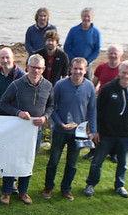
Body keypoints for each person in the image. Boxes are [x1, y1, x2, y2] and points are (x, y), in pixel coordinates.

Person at [83, 60, 128, 199]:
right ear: (119, 72)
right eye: (124, 72)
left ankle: (119, 186)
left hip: (127, 135)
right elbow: (97, 110)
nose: (126, 75)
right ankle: (91, 184)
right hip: (106, 134)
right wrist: (95, 130)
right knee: (97, 162)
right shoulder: (108, 88)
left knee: (123, 163)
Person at [0, 54, 54, 205]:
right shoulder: (17, 84)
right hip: (17, 130)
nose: (36, 71)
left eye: (39, 68)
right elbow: (3, 103)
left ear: (43, 69)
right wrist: (18, 112)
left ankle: (23, 191)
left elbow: (51, 106)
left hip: (36, 131)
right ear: (27, 67)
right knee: (12, 158)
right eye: (33, 67)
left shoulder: (48, 86)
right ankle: (6, 192)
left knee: (28, 160)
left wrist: (45, 117)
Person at [41, 58, 96, 201]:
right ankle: (48, 188)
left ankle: (66, 189)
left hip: (79, 132)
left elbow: (92, 110)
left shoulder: (89, 87)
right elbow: (51, 107)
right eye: (75, 68)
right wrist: (60, 123)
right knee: (53, 161)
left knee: (72, 163)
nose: (77, 71)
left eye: (81, 69)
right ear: (70, 69)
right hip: (60, 131)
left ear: (85, 70)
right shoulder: (60, 85)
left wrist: (93, 130)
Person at [64, 8, 102, 76]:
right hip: (73, 64)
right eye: (84, 16)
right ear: (81, 17)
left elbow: (96, 50)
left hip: (87, 65)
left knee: (88, 84)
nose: (86, 18)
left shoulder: (96, 32)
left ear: (92, 18)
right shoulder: (73, 30)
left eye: (88, 16)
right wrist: (74, 60)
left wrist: (86, 62)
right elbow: (66, 47)